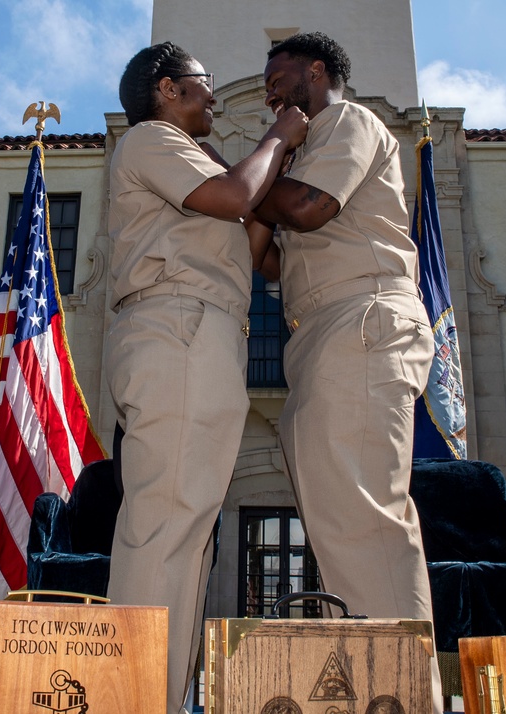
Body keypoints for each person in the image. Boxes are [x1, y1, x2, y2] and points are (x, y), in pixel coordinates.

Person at [106, 42, 307, 714]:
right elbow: (234, 196)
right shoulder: (148, 140)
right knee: (165, 525)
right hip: (178, 330)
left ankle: (164, 695)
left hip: (209, 334)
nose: (215, 97)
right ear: (168, 89)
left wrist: (266, 189)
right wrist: (278, 135)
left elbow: (252, 241)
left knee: (190, 534)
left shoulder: (192, 157)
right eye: (204, 83)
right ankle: (134, 700)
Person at [251, 32, 444, 712]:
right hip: (320, 334)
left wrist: (261, 161)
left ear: (318, 71)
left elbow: (308, 208)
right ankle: (369, 690)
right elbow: (276, 261)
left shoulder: (346, 122)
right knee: (337, 526)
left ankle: (402, 695)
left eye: (279, 75)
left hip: (362, 319)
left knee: (366, 519)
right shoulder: (305, 152)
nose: (271, 88)